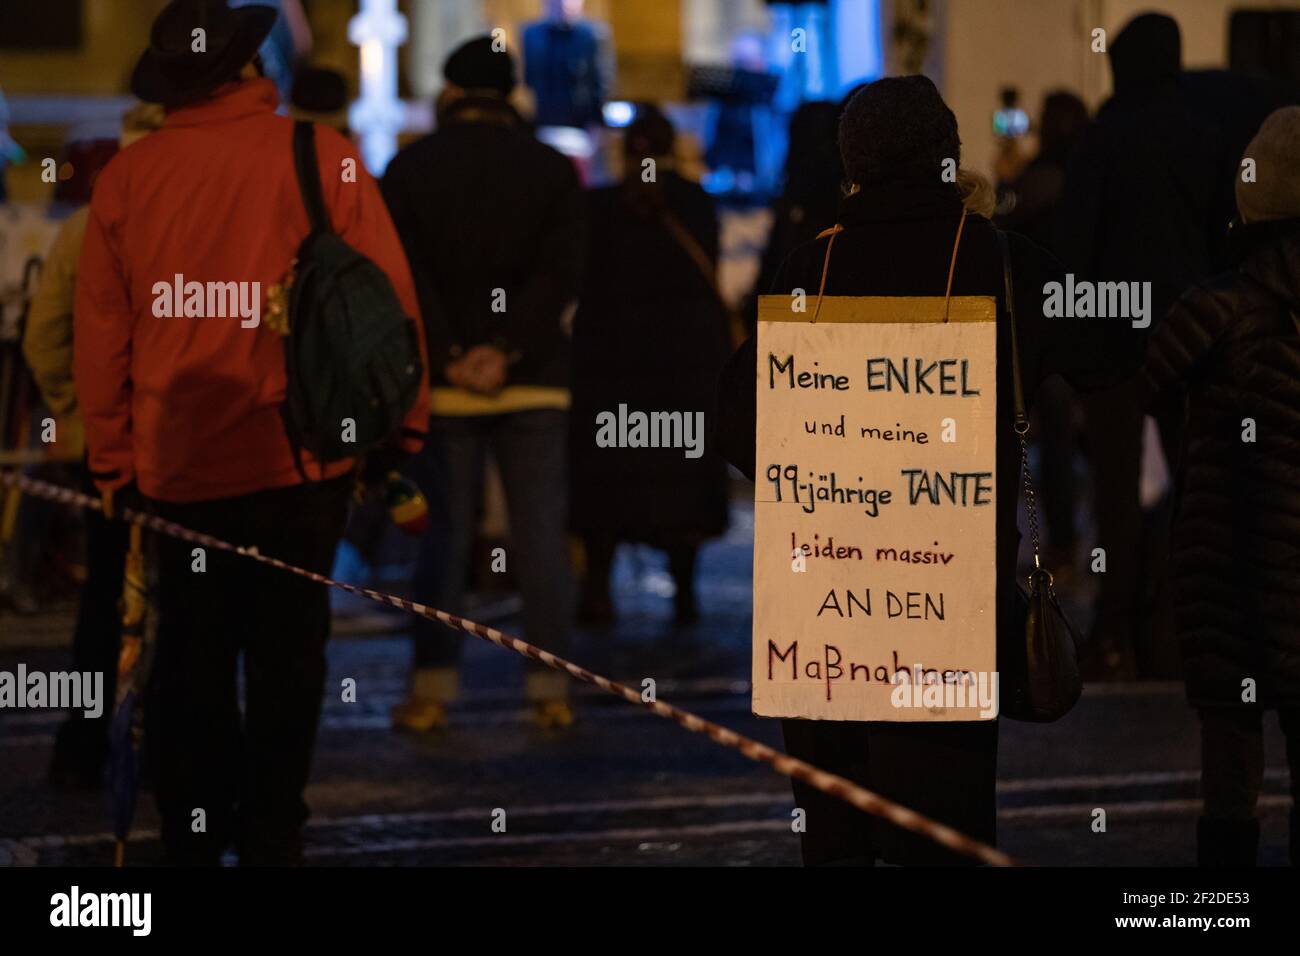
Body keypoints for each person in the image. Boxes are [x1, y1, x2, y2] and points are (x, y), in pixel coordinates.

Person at [715, 76, 1140, 865]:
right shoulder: (1004, 264)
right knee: (945, 837)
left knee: (835, 841)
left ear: (852, 166)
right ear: (950, 158)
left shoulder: (811, 269)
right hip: (944, 614)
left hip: (825, 620)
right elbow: (1112, 351)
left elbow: (741, 427)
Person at [75, 0, 428, 864]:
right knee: (289, 656)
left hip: (180, 464)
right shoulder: (321, 157)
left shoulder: (129, 177)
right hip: (299, 455)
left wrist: (113, 462)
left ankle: (196, 829)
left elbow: (102, 333)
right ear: (248, 67)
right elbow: (390, 312)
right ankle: (275, 828)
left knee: (191, 659)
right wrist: (399, 438)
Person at [381, 36, 584, 731]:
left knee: (443, 537)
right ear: (509, 95)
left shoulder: (409, 168)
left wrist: (455, 350)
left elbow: (406, 277)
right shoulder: (552, 168)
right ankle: (551, 691)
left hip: (445, 384)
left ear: (451, 92)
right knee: (540, 540)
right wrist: (508, 348)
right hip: (534, 382)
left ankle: (433, 691)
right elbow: (562, 272)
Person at [1143, 106, 1300, 867]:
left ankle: (1222, 914)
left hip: (1229, 567)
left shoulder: (1216, 304)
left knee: (1230, 773)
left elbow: (1134, 382)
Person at [1054, 13, 1229, 679]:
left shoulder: (1106, 136)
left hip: (1114, 342)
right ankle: (1175, 626)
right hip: (1190, 339)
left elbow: (1073, 247)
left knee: (1116, 491)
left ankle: (1116, 627)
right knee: (1190, 487)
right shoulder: (1205, 135)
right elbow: (1220, 245)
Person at [24, 103, 165, 788]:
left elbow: (44, 335)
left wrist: (75, 416)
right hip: (177, 448)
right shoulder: (186, 226)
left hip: (106, 446)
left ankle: (82, 750)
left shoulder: (84, 226)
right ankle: (168, 748)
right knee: (184, 604)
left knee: (105, 599)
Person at [569, 105, 730, 627]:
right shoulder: (696, 205)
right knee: (678, 485)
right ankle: (684, 595)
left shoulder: (596, 207)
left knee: (607, 486)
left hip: (609, 373)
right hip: (681, 376)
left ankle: (597, 591)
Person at [995, 91, 1090, 574]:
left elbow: (1002, 219)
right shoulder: (1094, 173)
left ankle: (1035, 541)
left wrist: (1009, 179)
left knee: (1035, 432)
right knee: (1060, 437)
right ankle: (1066, 540)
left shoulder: (1045, 177)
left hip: (1039, 325)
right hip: (1082, 316)